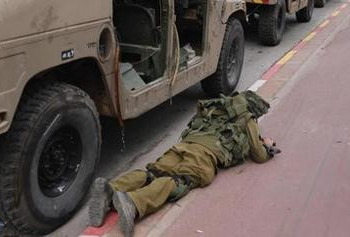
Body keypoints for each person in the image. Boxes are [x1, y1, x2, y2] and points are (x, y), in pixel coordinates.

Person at [88, 91, 280, 237]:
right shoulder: (246, 118)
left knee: (153, 172)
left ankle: (111, 189)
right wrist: (267, 145)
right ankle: (133, 202)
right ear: (253, 108)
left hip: (183, 146)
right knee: (179, 181)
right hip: (204, 155)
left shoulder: (215, 107)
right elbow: (259, 155)